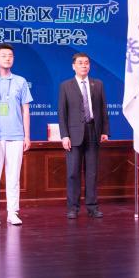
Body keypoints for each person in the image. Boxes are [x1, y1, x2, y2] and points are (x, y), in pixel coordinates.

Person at [0, 43, 32, 227]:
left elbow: (25, 110)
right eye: (3, 55)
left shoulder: (20, 81)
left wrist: (27, 136)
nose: (7, 58)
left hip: (16, 135)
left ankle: (12, 212)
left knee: (13, 177)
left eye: (10, 55)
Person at [57, 52, 110, 218]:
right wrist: (64, 135)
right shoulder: (66, 86)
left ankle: (92, 206)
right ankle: (73, 208)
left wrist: (105, 131)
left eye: (86, 63)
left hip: (93, 130)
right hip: (73, 134)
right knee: (73, 172)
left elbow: (103, 109)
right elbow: (62, 113)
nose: (84, 65)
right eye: (80, 63)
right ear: (73, 66)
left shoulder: (98, 84)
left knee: (92, 172)